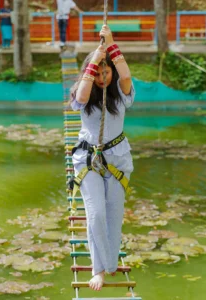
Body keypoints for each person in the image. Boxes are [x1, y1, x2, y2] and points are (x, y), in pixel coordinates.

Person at [70, 25, 135, 291]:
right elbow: (83, 95)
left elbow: (127, 76)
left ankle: (108, 264)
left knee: (113, 215)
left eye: (105, 72)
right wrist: (94, 60)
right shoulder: (82, 91)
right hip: (88, 159)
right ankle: (99, 269)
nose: (101, 78)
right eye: (97, 73)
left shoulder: (121, 92)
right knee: (95, 214)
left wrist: (112, 46)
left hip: (118, 159)